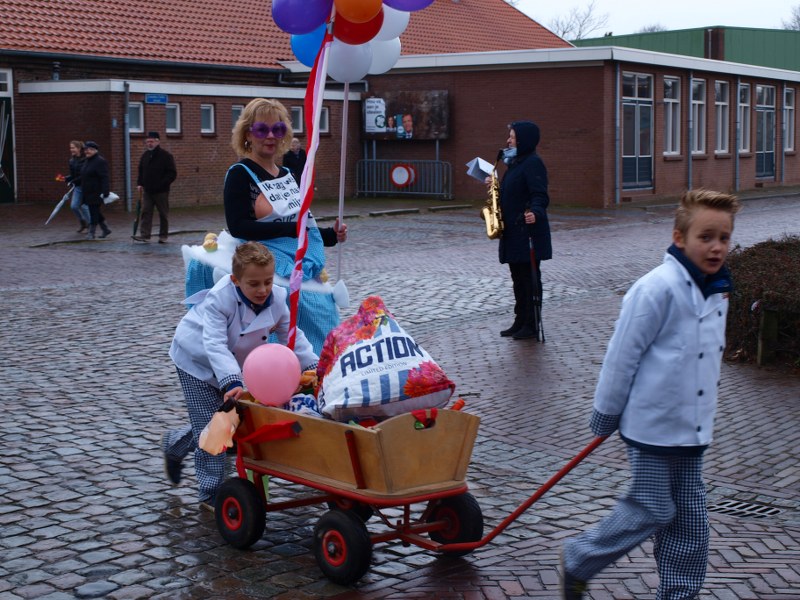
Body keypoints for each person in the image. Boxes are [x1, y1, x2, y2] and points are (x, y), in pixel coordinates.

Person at [560, 189, 741, 600]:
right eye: (706, 236)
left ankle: (679, 594)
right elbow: (621, 356)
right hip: (652, 427)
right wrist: (606, 413)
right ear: (679, 237)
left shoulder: (716, 290)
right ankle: (579, 558)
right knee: (652, 508)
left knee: (691, 523)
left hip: (690, 431)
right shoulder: (655, 288)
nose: (716, 247)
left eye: (724, 238)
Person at [162, 242, 318, 511]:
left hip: (232, 364)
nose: (262, 290)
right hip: (195, 360)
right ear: (235, 280)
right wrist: (232, 380)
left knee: (224, 424)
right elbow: (214, 343)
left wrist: (314, 366)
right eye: (253, 284)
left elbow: (292, 337)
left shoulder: (278, 298)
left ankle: (174, 444)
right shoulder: (219, 298)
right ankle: (211, 493)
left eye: (268, 282)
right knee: (216, 429)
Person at [184, 97, 347, 353]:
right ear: (248, 133)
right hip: (261, 257)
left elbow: (301, 222)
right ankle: (274, 362)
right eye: (262, 129)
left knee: (321, 306)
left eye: (278, 129)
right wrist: (289, 232)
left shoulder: (287, 174)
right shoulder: (240, 173)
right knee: (287, 302)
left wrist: (331, 235)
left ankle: (316, 365)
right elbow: (239, 226)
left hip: (295, 256)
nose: (271, 136)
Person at [493, 120, 551, 340]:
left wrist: (534, 212)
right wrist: (494, 185)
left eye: (512, 136)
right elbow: (512, 193)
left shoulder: (533, 163)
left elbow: (540, 194)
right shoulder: (516, 163)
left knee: (529, 279)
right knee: (517, 278)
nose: (508, 140)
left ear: (523, 140)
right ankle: (520, 320)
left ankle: (531, 323)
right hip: (513, 231)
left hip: (527, 231)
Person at [134, 131, 177, 243]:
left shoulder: (166, 156)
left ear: (157, 141)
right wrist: (140, 183)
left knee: (163, 213)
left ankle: (163, 236)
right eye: (147, 142)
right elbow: (141, 171)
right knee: (146, 212)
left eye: (151, 141)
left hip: (161, 191)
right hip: (148, 191)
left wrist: (163, 183)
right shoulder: (145, 156)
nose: (149, 144)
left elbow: (172, 173)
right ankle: (145, 235)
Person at [80, 141, 112, 240]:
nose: (87, 151)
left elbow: (104, 177)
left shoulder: (100, 161)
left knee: (93, 211)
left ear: (95, 150)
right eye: (86, 149)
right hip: (87, 191)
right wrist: (70, 179)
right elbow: (84, 175)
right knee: (96, 211)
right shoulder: (87, 160)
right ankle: (105, 229)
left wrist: (105, 191)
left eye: (89, 149)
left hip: (96, 191)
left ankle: (91, 233)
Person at [65, 140, 90, 232]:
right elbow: (73, 175)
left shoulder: (86, 159)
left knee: (85, 207)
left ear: (79, 148)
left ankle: (91, 225)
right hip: (78, 187)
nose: (71, 149)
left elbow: (84, 175)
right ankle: (83, 223)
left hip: (87, 186)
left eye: (73, 147)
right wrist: (65, 178)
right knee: (74, 206)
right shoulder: (72, 160)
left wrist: (73, 181)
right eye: (70, 148)